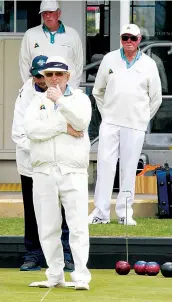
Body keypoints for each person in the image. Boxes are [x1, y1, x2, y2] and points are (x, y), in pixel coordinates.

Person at [24, 56, 92, 290]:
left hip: (73, 171)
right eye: (49, 74)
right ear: (44, 76)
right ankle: (54, 274)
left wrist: (61, 101)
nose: (53, 78)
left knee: (78, 226)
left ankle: (81, 276)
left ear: (68, 76)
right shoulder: (36, 100)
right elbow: (31, 130)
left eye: (58, 74)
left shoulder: (81, 99)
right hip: (43, 170)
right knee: (47, 226)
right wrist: (62, 127)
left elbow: (81, 122)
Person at [88, 24, 162, 226]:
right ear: (121, 39)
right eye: (125, 37)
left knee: (129, 169)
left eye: (132, 38)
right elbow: (98, 91)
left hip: (135, 124)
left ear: (139, 40)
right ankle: (100, 212)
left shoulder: (149, 63)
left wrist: (143, 118)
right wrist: (107, 114)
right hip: (110, 123)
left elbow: (155, 97)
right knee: (105, 166)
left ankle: (124, 213)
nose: (128, 41)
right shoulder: (109, 59)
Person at [12, 55, 74, 272]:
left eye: (44, 75)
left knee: (63, 209)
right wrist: (44, 146)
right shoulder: (25, 94)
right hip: (31, 165)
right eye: (37, 75)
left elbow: (73, 127)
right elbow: (20, 133)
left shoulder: (66, 92)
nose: (40, 79)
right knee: (33, 210)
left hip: (60, 163)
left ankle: (65, 253)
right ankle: (32, 254)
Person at [19, 0, 83, 89]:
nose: (48, 16)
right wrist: (30, 89)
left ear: (59, 13)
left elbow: (78, 65)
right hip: (39, 91)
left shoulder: (72, 34)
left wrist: (73, 88)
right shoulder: (30, 34)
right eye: (44, 13)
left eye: (51, 12)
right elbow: (24, 64)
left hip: (66, 90)